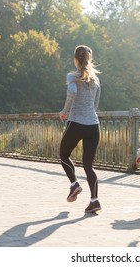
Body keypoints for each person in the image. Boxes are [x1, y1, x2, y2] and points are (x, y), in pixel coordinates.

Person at [59, 45, 101, 213]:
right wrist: (89, 112)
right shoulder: (96, 79)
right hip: (93, 125)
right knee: (88, 166)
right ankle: (94, 200)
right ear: (89, 59)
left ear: (76, 59)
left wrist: (64, 111)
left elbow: (71, 93)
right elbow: (96, 103)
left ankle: (74, 184)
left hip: (76, 123)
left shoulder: (72, 76)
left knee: (63, 154)